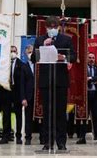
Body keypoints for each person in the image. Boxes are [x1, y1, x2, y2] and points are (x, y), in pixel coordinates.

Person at [31, 16, 76, 151]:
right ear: (46, 28)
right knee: (47, 112)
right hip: (46, 80)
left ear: (58, 27)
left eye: (54, 27)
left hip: (61, 80)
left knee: (61, 113)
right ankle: (47, 142)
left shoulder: (66, 39)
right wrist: (43, 46)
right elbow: (33, 58)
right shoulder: (40, 40)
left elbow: (73, 56)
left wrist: (65, 57)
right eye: (49, 27)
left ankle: (61, 142)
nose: (52, 29)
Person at [77, 52, 97, 144]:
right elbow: (80, 77)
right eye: (90, 58)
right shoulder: (83, 68)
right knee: (84, 117)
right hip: (85, 95)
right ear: (87, 59)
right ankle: (82, 137)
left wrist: (91, 78)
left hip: (96, 95)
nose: (91, 59)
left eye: (93, 58)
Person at [9, 45, 27, 145]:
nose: (12, 52)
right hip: (7, 92)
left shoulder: (21, 65)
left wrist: (23, 96)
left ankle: (19, 136)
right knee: (6, 114)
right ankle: (6, 135)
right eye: (11, 51)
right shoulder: (5, 63)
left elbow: (23, 82)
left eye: (14, 51)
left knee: (18, 115)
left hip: (17, 93)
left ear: (17, 52)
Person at [21, 45, 36, 145]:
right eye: (29, 52)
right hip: (28, 95)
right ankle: (28, 137)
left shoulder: (39, 65)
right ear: (26, 54)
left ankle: (43, 137)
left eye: (32, 52)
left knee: (41, 117)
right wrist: (23, 98)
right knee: (28, 117)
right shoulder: (23, 67)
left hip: (39, 95)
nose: (31, 54)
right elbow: (22, 84)